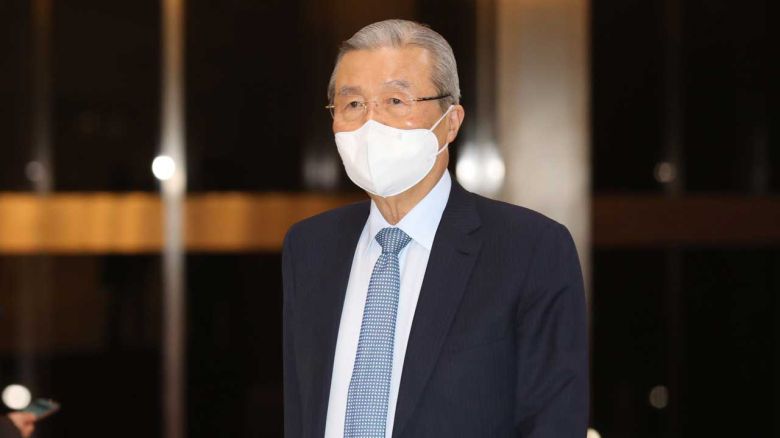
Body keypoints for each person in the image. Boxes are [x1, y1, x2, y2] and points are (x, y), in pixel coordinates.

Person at [282, 19, 588, 437]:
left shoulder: (529, 250)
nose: (371, 123)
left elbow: (552, 422)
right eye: (352, 104)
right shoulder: (310, 247)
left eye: (395, 100)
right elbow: (301, 412)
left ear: (451, 121)